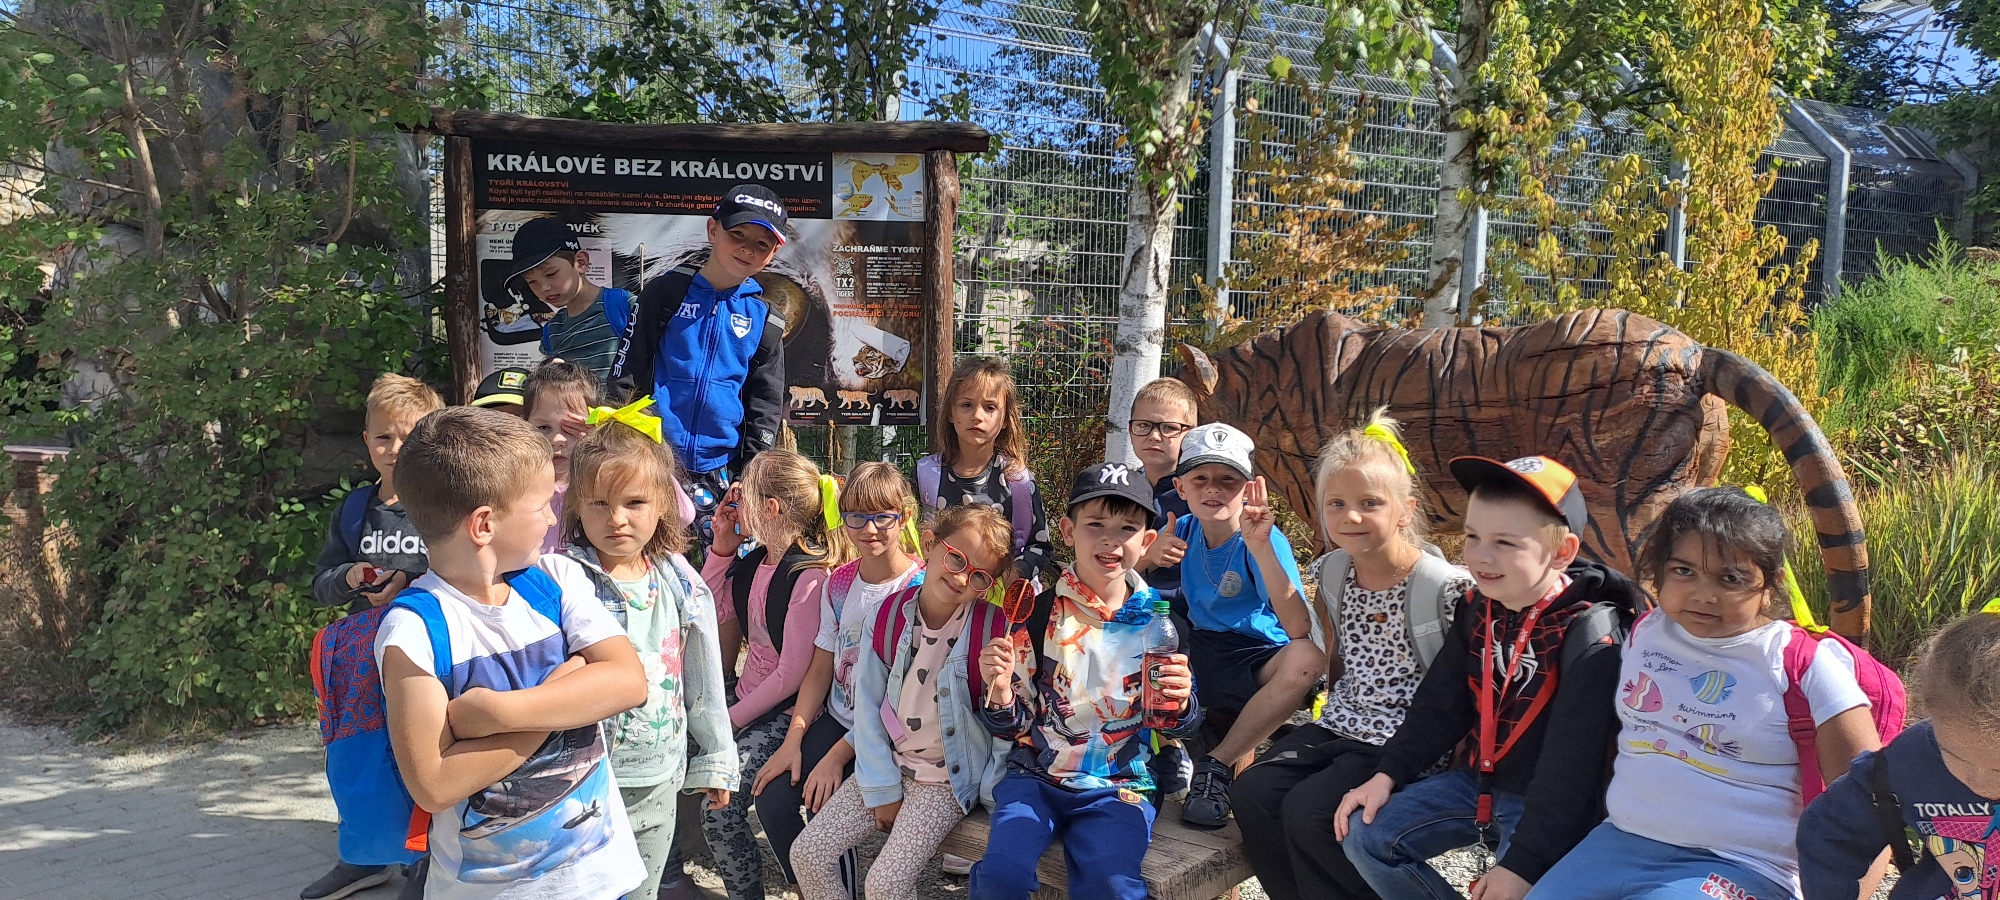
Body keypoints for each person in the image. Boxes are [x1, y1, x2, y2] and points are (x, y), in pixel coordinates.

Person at [1527, 487, 1879, 899]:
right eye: (1684, 571)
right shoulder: (1646, 633)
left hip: (1746, 864)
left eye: (1731, 579)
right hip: (1618, 841)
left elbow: (1869, 800)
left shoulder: (1803, 664)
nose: (1703, 594)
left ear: (1771, 583)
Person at [1334, 455, 1642, 900]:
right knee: (1366, 836)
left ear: (1562, 553)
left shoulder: (1590, 635)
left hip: (1547, 803)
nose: (1480, 556)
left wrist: (1522, 865)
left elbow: (1572, 768)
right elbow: (1440, 705)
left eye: (1504, 542)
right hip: (1476, 784)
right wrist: (1386, 775)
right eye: (1472, 536)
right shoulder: (1480, 605)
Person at [374, 406, 649, 899]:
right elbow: (434, 785)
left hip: (601, 878)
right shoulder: (413, 631)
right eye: (541, 504)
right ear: (484, 524)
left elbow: (628, 682)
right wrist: (564, 693)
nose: (552, 517)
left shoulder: (557, 580)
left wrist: (495, 713)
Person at [1232, 410, 1474, 900]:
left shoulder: (1446, 588)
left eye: (1370, 503)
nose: (1351, 517)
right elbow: (1305, 630)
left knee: (1311, 815)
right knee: (1254, 793)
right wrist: (1259, 547)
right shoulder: (1334, 570)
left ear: (1405, 510)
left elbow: (1468, 685)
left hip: (1404, 741)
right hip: (1343, 726)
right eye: (1336, 504)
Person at [967, 462, 1204, 900]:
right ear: (1067, 530)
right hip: (1035, 779)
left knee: (1112, 886)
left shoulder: (1164, 626)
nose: (1110, 540)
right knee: (1002, 875)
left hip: (1122, 786)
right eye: (1095, 524)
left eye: (1128, 528)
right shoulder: (1038, 615)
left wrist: (1183, 702)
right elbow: (1012, 726)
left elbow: (1179, 726)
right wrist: (999, 692)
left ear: (1147, 541)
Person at [789, 504, 1015, 900]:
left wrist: (993, 790)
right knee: (807, 853)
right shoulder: (888, 616)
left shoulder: (992, 630)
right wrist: (882, 787)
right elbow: (869, 707)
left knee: (885, 885)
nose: (962, 577)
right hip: (891, 762)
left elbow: (1005, 726)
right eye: (956, 559)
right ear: (930, 544)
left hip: (945, 781)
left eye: (979, 575)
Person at [556, 416, 740, 900]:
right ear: (576, 506)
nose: (616, 518)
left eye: (634, 502)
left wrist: (716, 757)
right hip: (585, 776)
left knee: (643, 890)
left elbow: (703, 675)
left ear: (662, 504)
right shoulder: (563, 579)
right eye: (600, 503)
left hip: (659, 776)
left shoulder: (677, 580)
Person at [752, 462, 926, 897]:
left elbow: (904, 695)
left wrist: (834, 758)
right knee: (771, 798)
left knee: (823, 804)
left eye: (882, 517)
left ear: (904, 516)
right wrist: (794, 739)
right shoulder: (840, 583)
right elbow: (821, 664)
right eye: (856, 517)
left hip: (887, 731)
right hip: (838, 717)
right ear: (842, 518)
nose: (869, 529)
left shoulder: (919, 589)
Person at [302, 373, 445, 900]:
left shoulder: (445, 505)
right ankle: (364, 856)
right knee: (357, 758)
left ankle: (428, 862)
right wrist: (350, 577)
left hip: (428, 657)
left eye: (409, 436)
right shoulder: (355, 509)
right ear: (366, 441)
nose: (395, 448)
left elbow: (470, 576)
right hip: (363, 663)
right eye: (383, 436)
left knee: (422, 754)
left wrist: (410, 580)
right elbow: (321, 583)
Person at [699, 449, 853, 900]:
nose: (734, 502)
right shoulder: (752, 565)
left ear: (770, 508)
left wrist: (730, 720)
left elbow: (791, 675)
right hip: (749, 705)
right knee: (699, 789)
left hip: (785, 715)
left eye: (743, 495)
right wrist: (722, 547)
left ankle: (803, 886)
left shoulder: (808, 577)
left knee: (721, 809)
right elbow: (706, 610)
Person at [610, 186, 790, 546]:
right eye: (737, 234)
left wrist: (752, 472)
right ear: (712, 229)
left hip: (722, 472)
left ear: (772, 254)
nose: (746, 249)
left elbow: (766, 405)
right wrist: (619, 441)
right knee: (648, 558)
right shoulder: (665, 293)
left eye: (761, 244)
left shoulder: (766, 320)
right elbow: (628, 370)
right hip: (656, 461)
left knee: (725, 565)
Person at [1169, 422, 1322, 826]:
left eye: (1228, 480)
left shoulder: (1264, 540)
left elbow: (1298, 628)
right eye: (1200, 479)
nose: (1213, 490)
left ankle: (1216, 766)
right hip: (1203, 646)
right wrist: (1149, 556)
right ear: (1181, 487)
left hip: (1256, 652)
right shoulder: (1181, 530)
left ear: (1249, 488)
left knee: (1305, 659)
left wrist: (1261, 548)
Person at [1798, 609, 2000, 900]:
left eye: (1997, 770)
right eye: (1955, 757)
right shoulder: (1910, 759)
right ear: (1932, 717)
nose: (1981, 783)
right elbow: (1829, 831)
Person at [914, 356, 1056, 588]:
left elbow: (1040, 546)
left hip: (1000, 601)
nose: (977, 416)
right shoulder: (925, 476)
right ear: (950, 413)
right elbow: (908, 541)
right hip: (942, 596)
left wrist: (1014, 574)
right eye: (966, 405)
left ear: (1005, 419)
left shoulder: (1018, 482)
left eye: (989, 407)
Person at [508, 217, 630, 384]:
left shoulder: (624, 306)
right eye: (531, 282)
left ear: (581, 262)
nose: (544, 288)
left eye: (551, 273)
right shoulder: (551, 331)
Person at [1128, 377, 1197, 604]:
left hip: (1188, 613)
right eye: (1143, 425)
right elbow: (1105, 571)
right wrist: (1149, 556)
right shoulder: (1123, 490)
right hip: (1127, 607)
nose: (1154, 436)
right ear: (1130, 429)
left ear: (1190, 434)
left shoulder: (1202, 494)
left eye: (1169, 428)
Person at [521, 359, 599, 554]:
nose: (557, 440)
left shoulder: (602, 484)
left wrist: (606, 443)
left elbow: (677, 507)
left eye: (572, 429)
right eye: (543, 427)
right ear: (524, 425)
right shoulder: (514, 486)